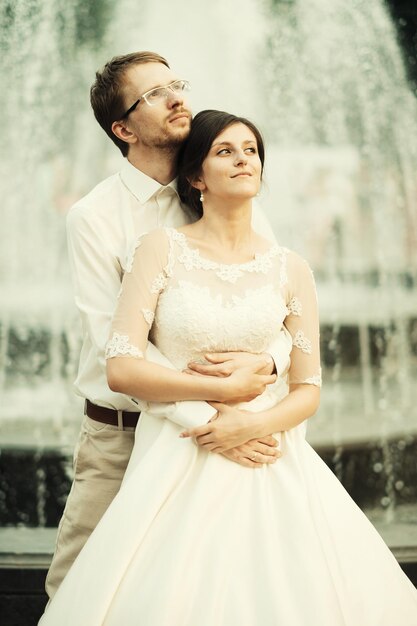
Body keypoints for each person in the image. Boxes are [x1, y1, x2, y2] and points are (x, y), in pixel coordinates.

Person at [40, 110, 417, 625]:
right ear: (196, 177)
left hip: (269, 454)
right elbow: (122, 367)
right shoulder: (158, 250)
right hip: (176, 453)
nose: (244, 159)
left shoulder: (291, 268)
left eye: (251, 150)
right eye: (225, 151)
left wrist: (254, 423)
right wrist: (218, 420)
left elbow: (308, 389)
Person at [45, 52, 291, 598]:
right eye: (154, 93)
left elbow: (277, 298)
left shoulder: (225, 185)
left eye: (176, 84)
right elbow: (113, 342)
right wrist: (214, 412)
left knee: (212, 589)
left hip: (230, 429)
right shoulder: (94, 217)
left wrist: (270, 361)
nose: (178, 97)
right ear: (123, 128)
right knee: (79, 589)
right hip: (123, 435)